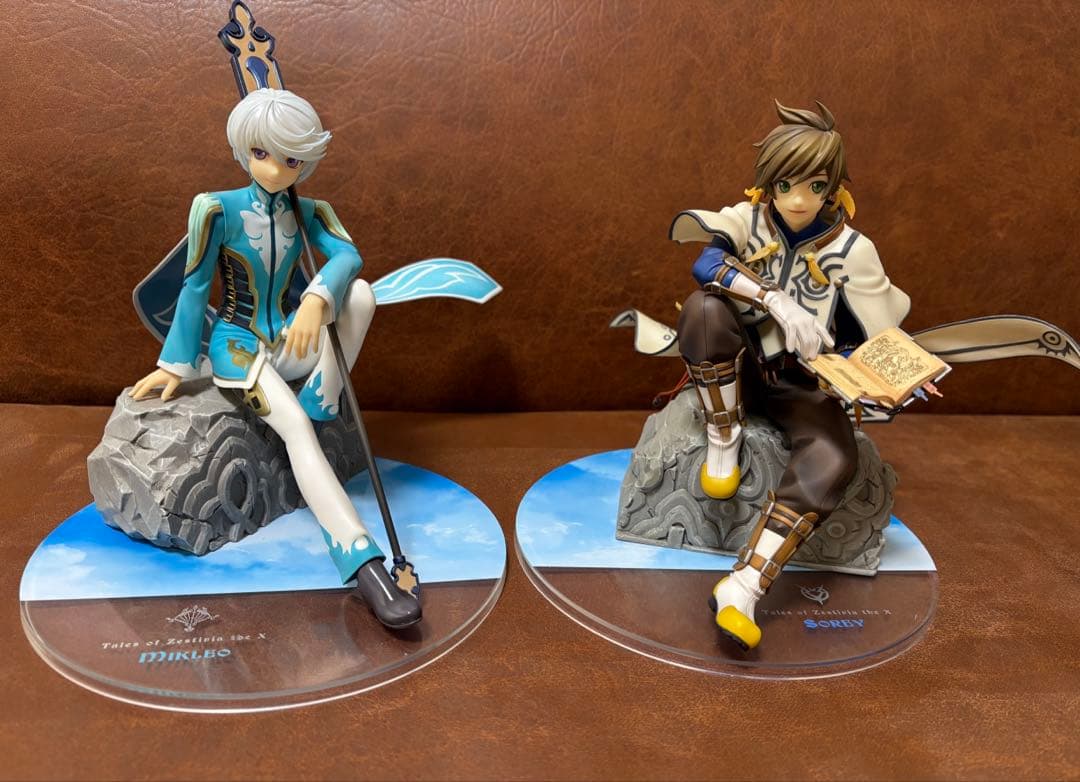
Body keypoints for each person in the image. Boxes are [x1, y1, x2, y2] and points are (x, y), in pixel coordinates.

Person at [130, 88, 421, 629]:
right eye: (262, 153)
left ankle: (323, 396)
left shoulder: (311, 212)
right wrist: (176, 364)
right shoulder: (216, 208)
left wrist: (316, 298)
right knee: (297, 432)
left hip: (290, 339)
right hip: (239, 348)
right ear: (243, 150)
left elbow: (349, 257)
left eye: (291, 159)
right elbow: (195, 288)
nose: (275, 170)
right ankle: (363, 562)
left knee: (361, 295)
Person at [669, 100, 915, 649]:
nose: (799, 200)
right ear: (768, 182)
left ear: (834, 188)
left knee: (834, 457)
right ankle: (723, 434)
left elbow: (879, 338)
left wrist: (894, 377)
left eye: (815, 185)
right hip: (737, 369)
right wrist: (775, 300)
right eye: (785, 185)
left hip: (806, 385)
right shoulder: (748, 219)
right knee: (703, 311)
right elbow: (705, 264)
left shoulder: (854, 251)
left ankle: (743, 587)